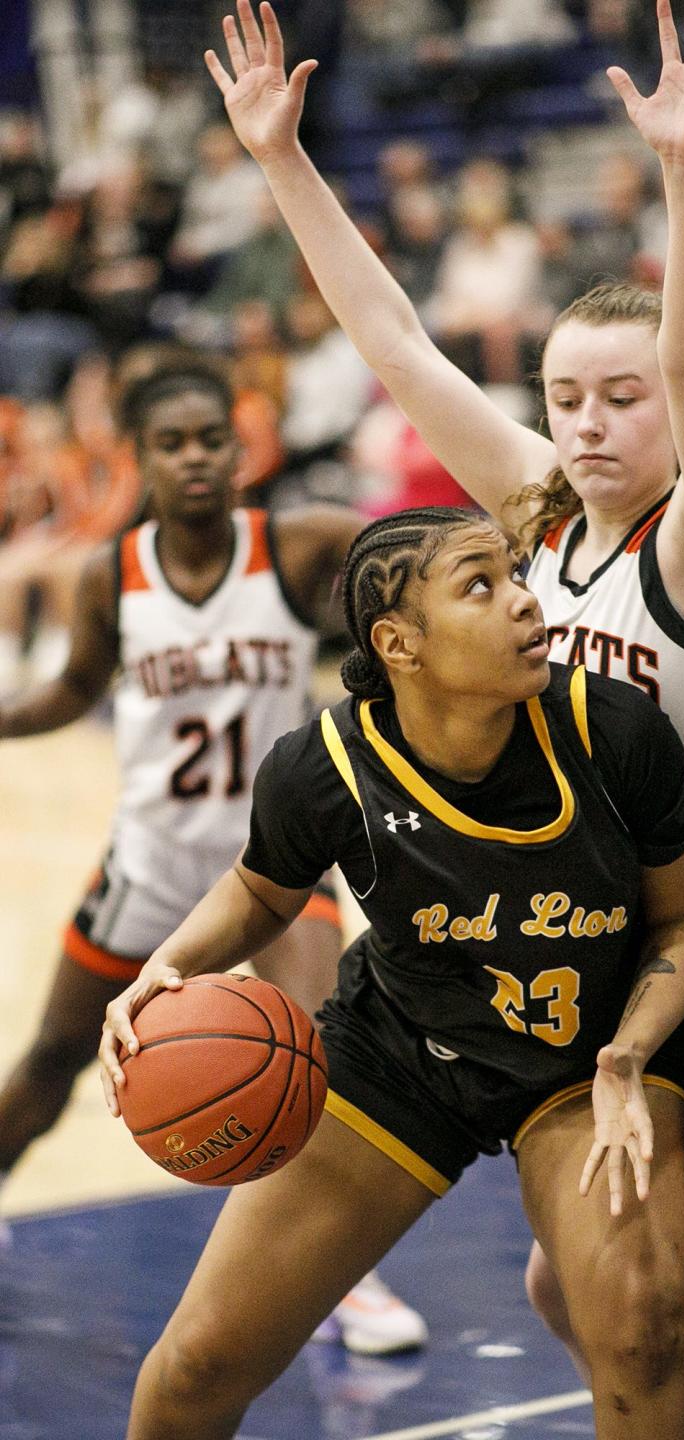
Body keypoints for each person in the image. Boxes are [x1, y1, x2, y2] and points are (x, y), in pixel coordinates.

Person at [203, 2, 684, 1435]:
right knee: (568, 1292)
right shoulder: (537, 523)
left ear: (670, 415)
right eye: (565, 399)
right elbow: (400, 346)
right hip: (634, 971)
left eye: (621, 400)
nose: (590, 424)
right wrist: (282, 159)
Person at [99, 504, 684, 1439]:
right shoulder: (324, 768)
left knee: (644, 1329)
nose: (522, 601)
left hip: (588, 1062)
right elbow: (262, 892)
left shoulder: (610, 731)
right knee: (199, 1362)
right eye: (482, 586)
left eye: (516, 575)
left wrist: (631, 1052)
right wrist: (167, 966)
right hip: (402, 1056)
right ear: (399, 643)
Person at [0, 359, 426, 1358]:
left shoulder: (299, 546)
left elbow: (417, 561)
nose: (195, 458)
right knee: (58, 1055)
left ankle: (346, 1275)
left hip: (279, 865)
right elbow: (74, 689)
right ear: (139, 457)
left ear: (242, 452)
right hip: (148, 864)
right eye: (171, 443)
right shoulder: (109, 574)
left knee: (319, 1062)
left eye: (211, 440)